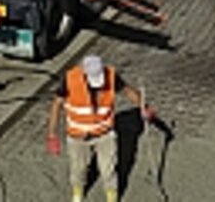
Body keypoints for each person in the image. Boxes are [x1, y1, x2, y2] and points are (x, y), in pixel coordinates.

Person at [47, 54, 155, 202]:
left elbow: (128, 91)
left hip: (104, 134)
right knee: (78, 170)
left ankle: (112, 197)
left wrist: (144, 106)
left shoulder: (110, 76)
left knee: (108, 170)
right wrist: (52, 135)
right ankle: (78, 194)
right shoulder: (70, 79)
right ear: (84, 72)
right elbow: (57, 104)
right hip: (78, 136)